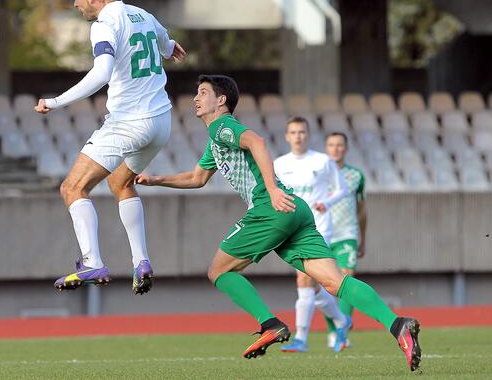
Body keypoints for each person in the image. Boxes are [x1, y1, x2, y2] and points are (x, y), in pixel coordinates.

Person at [135, 75, 421, 371]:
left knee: (218, 271)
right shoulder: (215, 141)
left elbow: (256, 141)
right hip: (295, 209)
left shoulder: (223, 126)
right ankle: (397, 324)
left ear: (221, 101)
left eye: (203, 93)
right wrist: (156, 180)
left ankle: (270, 324)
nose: (196, 98)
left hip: (270, 207)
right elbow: (196, 178)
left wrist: (271, 189)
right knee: (335, 282)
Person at [34, 0, 187, 295]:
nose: (75, 5)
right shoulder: (142, 14)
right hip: (161, 122)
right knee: (120, 182)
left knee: (72, 188)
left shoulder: (104, 24)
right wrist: (171, 46)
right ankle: (141, 261)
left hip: (128, 123)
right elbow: (164, 40)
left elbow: (102, 72)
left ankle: (91, 262)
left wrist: (56, 101)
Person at [272, 118, 350, 353]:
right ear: (287, 136)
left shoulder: (323, 161)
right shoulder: (279, 164)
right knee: (314, 287)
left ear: (308, 134)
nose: (298, 136)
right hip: (292, 230)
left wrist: (326, 202)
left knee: (304, 280)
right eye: (293, 132)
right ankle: (340, 320)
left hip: (319, 228)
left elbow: (342, 189)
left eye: (302, 132)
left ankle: (301, 339)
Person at [322, 132, 367, 348]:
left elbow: (361, 209)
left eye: (340, 145)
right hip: (322, 234)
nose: (336, 148)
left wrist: (362, 238)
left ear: (346, 149)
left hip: (347, 235)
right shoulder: (319, 173)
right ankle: (333, 329)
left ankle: (342, 331)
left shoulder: (356, 175)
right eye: (332, 144)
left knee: (347, 279)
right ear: (326, 148)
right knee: (327, 285)